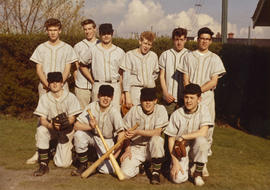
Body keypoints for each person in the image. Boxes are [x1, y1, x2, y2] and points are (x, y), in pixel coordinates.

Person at [27, 18, 78, 165]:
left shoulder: (68, 48)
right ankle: (40, 151)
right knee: (43, 119)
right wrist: (48, 85)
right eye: (50, 30)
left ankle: (63, 148)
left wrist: (59, 84)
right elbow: (38, 69)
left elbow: (68, 68)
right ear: (47, 31)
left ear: (60, 30)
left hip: (62, 86)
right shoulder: (41, 47)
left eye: (55, 30)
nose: (53, 33)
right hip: (45, 86)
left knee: (64, 118)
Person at [177, 27, 226, 158]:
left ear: (210, 41)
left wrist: (197, 93)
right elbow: (185, 78)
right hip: (190, 98)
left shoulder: (215, 58)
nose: (204, 41)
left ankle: (202, 163)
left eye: (207, 39)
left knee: (207, 129)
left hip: (207, 98)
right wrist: (191, 95)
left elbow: (213, 82)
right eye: (202, 38)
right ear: (197, 39)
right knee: (189, 126)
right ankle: (186, 157)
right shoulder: (188, 56)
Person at [32, 72, 81, 176]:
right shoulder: (45, 98)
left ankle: (60, 149)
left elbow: (72, 118)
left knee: (62, 164)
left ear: (62, 83)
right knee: (41, 129)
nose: (54, 84)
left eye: (57, 82)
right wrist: (51, 126)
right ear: (48, 84)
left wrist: (66, 123)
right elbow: (43, 120)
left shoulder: (70, 97)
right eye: (52, 82)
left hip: (67, 130)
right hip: (52, 129)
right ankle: (43, 164)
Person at [164, 83, 214, 186]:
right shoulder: (177, 114)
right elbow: (171, 139)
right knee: (177, 179)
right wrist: (175, 162)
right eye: (186, 97)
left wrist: (183, 136)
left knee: (202, 141)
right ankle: (187, 166)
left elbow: (203, 132)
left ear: (199, 99)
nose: (188, 101)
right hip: (181, 149)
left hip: (196, 146)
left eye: (192, 97)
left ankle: (197, 173)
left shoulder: (204, 110)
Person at [71, 85, 125, 176]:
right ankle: (83, 164)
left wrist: (115, 155)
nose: (105, 99)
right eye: (103, 95)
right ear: (98, 96)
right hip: (92, 136)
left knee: (107, 171)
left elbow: (121, 134)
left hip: (107, 140)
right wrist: (90, 127)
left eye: (108, 96)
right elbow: (76, 125)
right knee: (79, 135)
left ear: (112, 98)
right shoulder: (91, 107)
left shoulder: (114, 111)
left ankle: (93, 155)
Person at [120, 88, 168, 185]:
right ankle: (142, 166)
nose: (147, 103)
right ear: (140, 101)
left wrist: (138, 132)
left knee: (157, 140)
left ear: (155, 100)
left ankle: (156, 172)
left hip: (152, 148)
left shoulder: (161, 109)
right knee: (124, 174)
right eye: (145, 100)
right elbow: (125, 132)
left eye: (150, 100)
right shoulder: (134, 110)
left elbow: (157, 132)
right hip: (136, 147)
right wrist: (127, 149)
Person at [80, 23, 125, 110]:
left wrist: (122, 92)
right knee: (96, 112)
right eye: (103, 33)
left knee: (114, 112)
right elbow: (82, 65)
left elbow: (122, 73)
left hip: (114, 85)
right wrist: (92, 81)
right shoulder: (93, 49)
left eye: (108, 33)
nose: (106, 36)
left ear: (112, 33)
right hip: (98, 84)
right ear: (100, 34)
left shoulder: (120, 51)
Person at [120, 31, 159, 108]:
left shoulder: (153, 56)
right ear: (140, 42)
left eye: (149, 44)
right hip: (135, 90)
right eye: (145, 43)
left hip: (149, 90)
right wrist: (127, 95)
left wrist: (149, 80)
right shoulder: (130, 55)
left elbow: (155, 74)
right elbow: (126, 77)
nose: (146, 46)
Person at [159, 27, 189, 116]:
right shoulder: (165, 54)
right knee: (166, 125)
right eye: (176, 39)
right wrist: (165, 93)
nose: (179, 42)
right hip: (169, 98)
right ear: (173, 39)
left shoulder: (190, 54)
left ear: (185, 40)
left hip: (185, 99)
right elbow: (161, 76)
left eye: (181, 39)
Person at [73, 19, 99, 109]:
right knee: (82, 114)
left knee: (97, 112)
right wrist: (77, 83)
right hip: (82, 86)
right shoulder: (78, 46)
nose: (87, 31)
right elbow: (76, 68)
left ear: (95, 29)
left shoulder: (101, 44)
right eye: (85, 29)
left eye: (89, 29)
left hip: (98, 84)